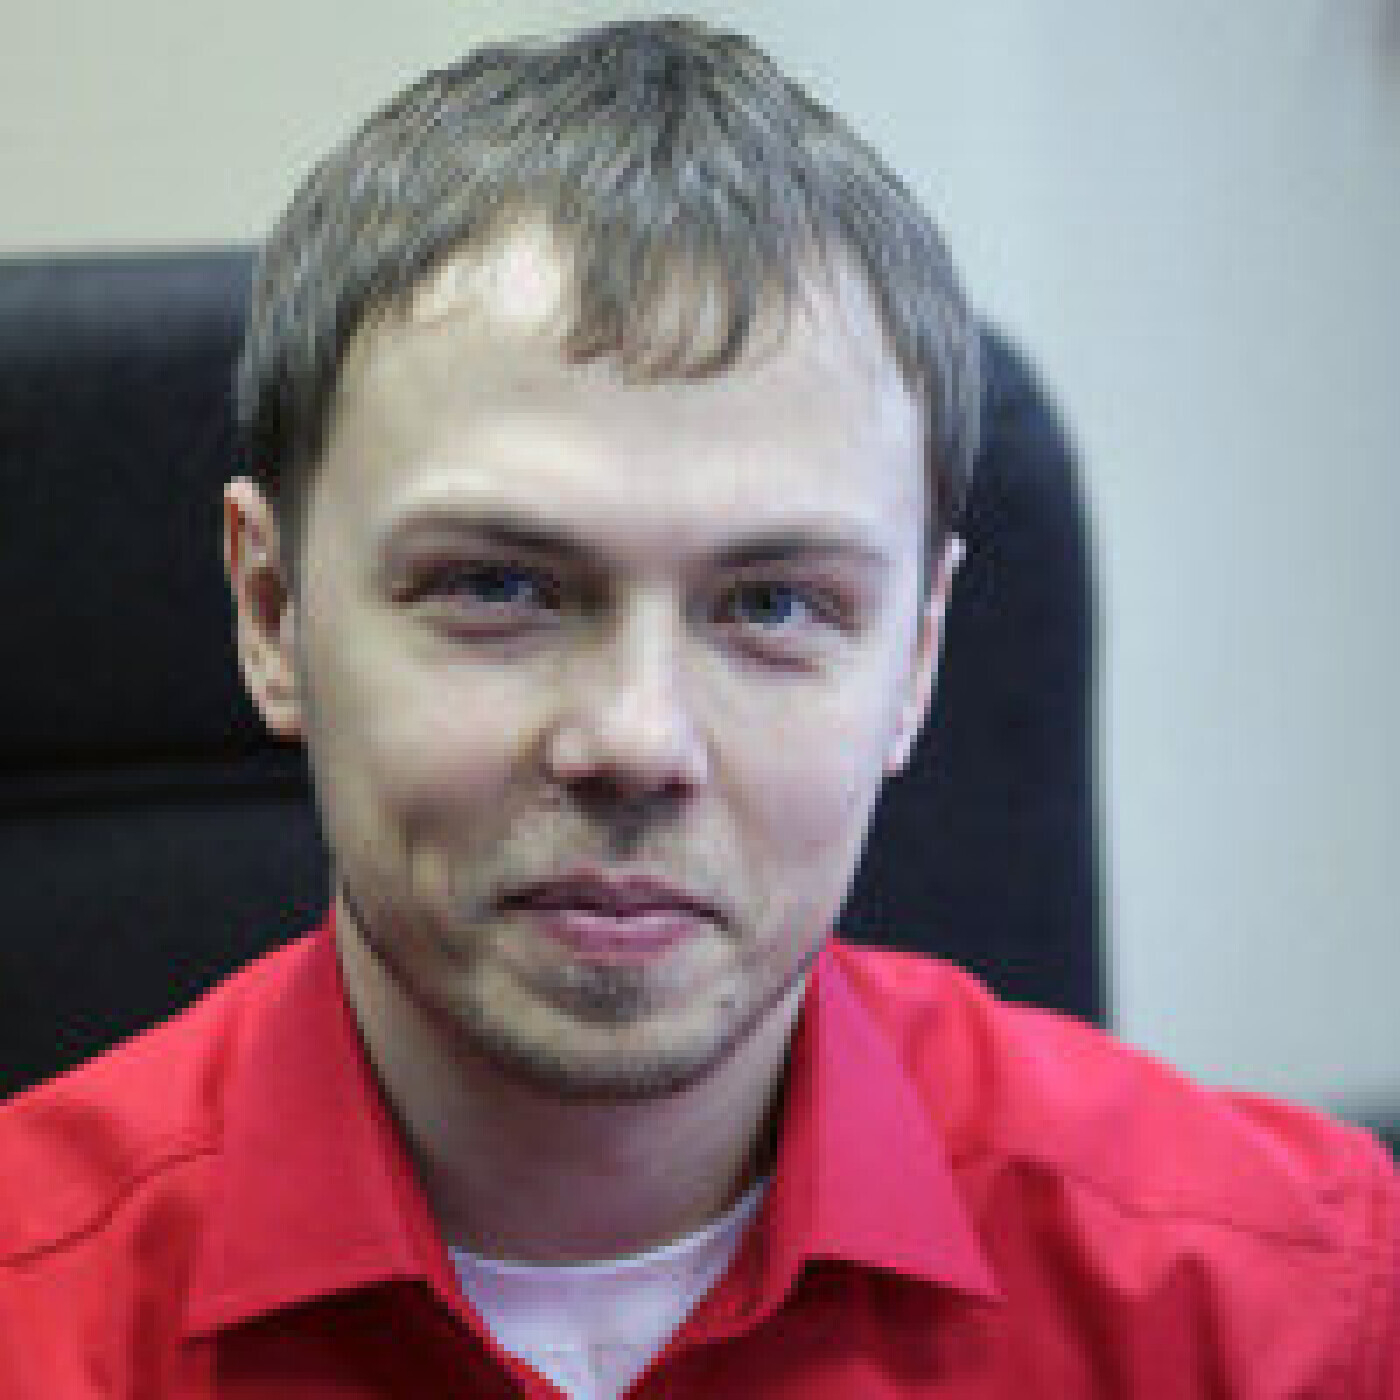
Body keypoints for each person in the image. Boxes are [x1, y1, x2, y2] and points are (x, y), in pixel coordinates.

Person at [0, 17, 1395, 1398]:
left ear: (917, 659)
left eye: (773, 605)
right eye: (498, 586)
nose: (636, 739)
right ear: (272, 613)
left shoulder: (1299, 1315)